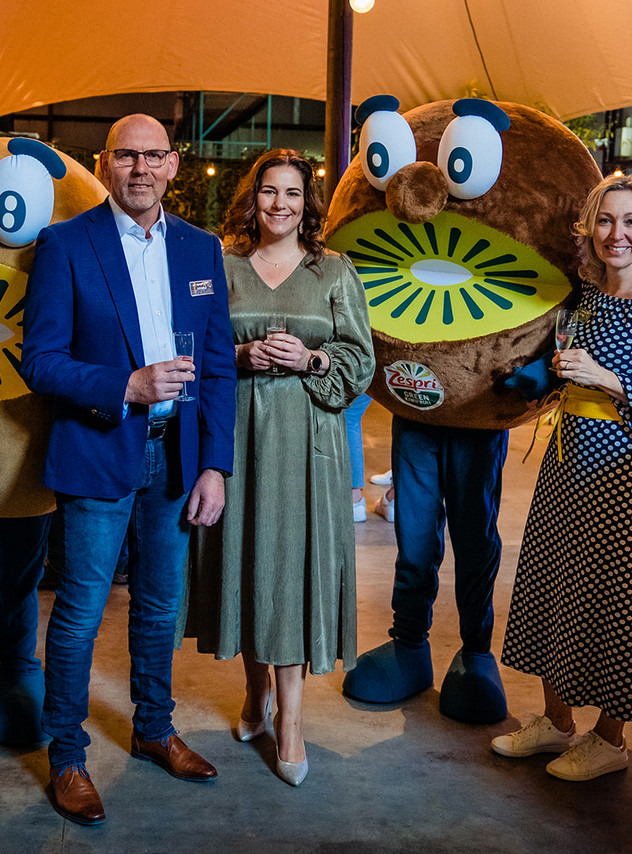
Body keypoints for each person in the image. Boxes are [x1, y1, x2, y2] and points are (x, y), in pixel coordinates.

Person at [21, 113, 236, 826]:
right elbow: (40, 361)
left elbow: (218, 368)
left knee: (160, 605)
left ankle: (153, 728)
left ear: (173, 165)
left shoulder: (201, 249)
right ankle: (67, 756)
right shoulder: (65, 244)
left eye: (153, 156)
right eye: (126, 156)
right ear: (104, 164)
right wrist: (127, 386)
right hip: (99, 446)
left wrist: (215, 465)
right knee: (81, 612)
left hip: (176, 457)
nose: (140, 169)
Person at [493, 174, 632, 781]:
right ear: (589, 229)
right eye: (606, 220)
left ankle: (610, 740)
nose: (618, 234)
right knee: (550, 584)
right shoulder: (585, 296)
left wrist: (607, 379)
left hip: (621, 476)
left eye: (630, 221)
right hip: (566, 464)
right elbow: (567, 367)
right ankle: (556, 722)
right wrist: (539, 375)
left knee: (615, 600)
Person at [180, 149, 373, 786]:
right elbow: (195, 346)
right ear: (253, 197)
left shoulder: (334, 270)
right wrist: (242, 356)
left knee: (289, 570)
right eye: (269, 191)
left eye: (292, 193)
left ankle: (291, 722)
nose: (280, 204)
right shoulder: (222, 265)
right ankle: (254, 693)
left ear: (306, 203)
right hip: (236, 440)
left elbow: (360, 361)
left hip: (307, 447)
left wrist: (310, 361)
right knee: (246, 560)